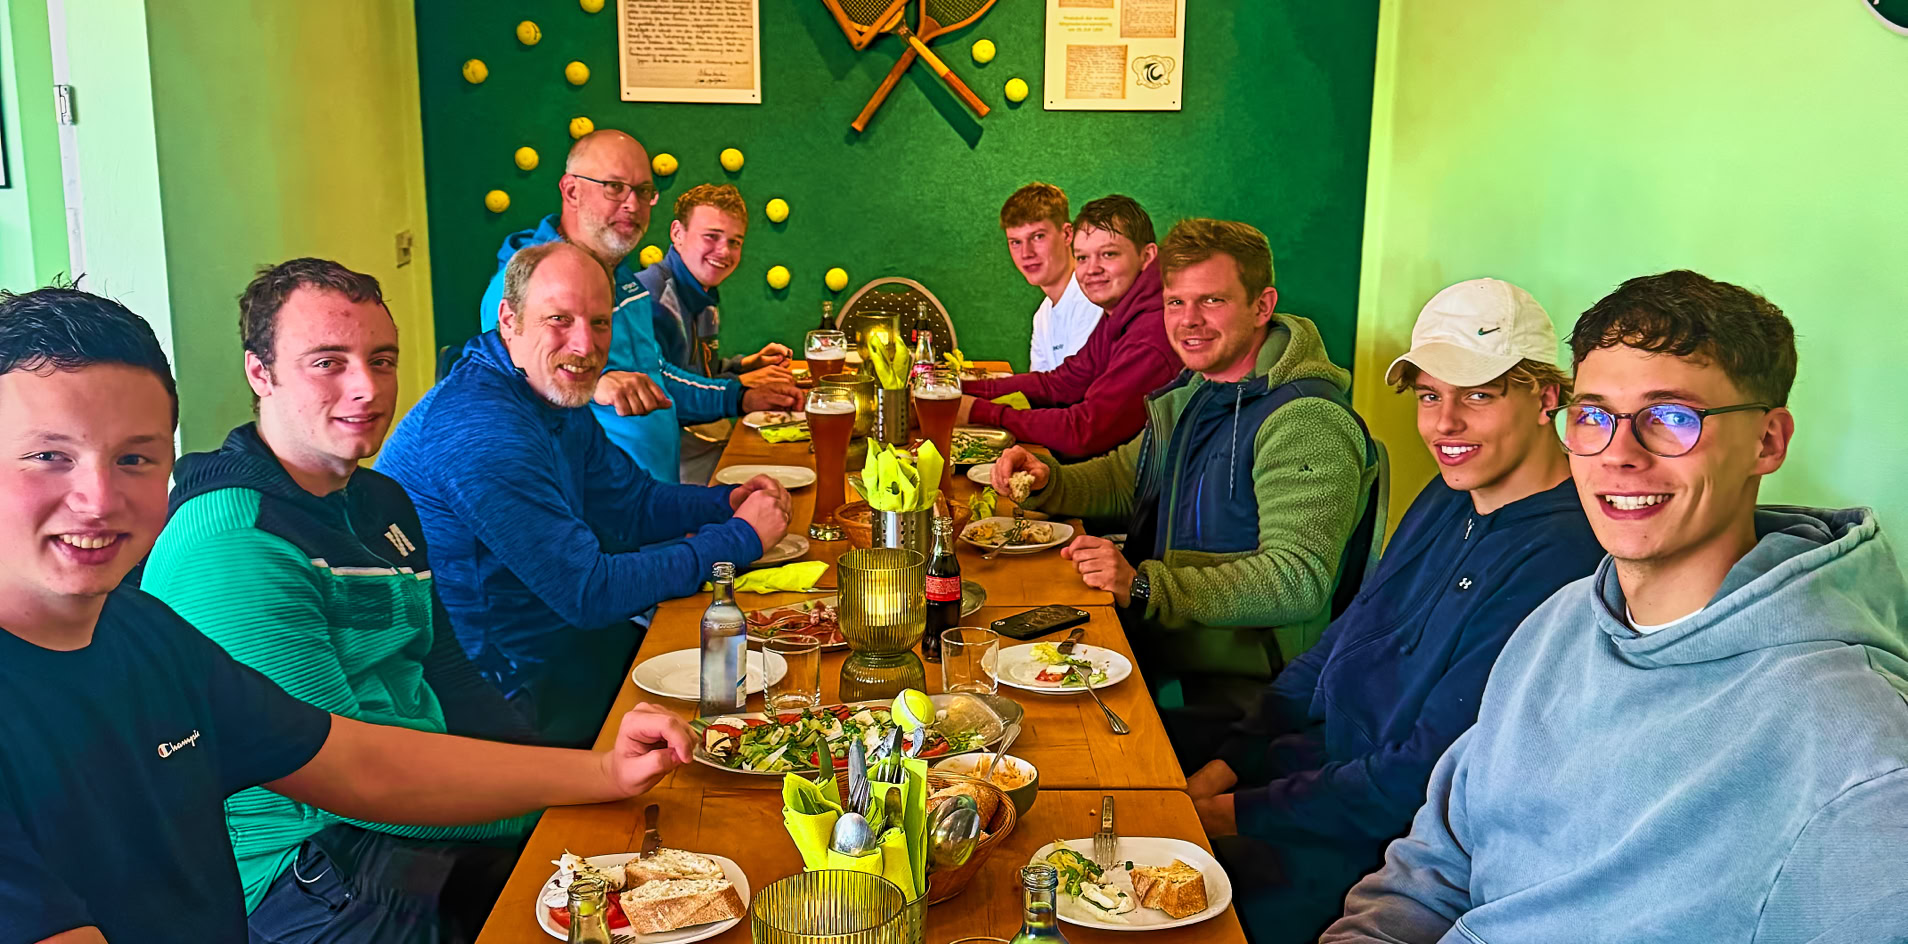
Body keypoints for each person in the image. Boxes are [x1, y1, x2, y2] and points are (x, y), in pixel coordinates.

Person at [0, 285, 698, 944]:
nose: (97, 499)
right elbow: (351, 798)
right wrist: (555, 807)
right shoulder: (232, 545)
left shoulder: (145, 634)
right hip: (321, 872)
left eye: (134, 458)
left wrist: (601, 774)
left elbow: (357, 760)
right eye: (48, 456)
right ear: (260, 374)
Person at [1326, 271, 1908, 943]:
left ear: (1767, 442)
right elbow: (1435, 864)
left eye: (1672, 417)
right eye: (1595, 416)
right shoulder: (1559, 622)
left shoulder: (1861, 758)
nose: (1619, 455)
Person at [1181, 278, 1604, 944]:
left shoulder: (1564, 555)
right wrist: (1230, 761)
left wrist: (1228, 815)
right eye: (1430, 396)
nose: (1444, 424)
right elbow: (1344, 637)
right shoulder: (1449, 492)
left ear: (1547, 397)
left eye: (1478, 395)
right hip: (1308, 769)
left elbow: (1421, 777)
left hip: (1374, 845)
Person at [137, 259, 545, 942]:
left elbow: (447, 673)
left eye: (381, 360)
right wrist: (556, 792)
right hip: (303, 871)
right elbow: (360, 785)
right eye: (328, 362)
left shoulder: (380, 498)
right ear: (260, 373)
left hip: (412, 811)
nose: (367, 387)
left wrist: (546, 770)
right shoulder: (235, 542)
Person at [382, 241, 793, 746]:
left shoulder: (541, 387)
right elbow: (588, 593)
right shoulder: (483, 427)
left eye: (599, 322)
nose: (584, 345)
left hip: (566, 650)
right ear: (509, 320)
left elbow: (632, 504)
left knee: (761, 680)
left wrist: (723, 503)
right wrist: (739, 539)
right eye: (559, 319)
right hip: (499, 696)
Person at [990, 218, 1378, 715]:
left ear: (1262, 306)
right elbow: (1123, 478)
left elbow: (1295, 580)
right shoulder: (1200, 389)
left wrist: (1146, 586)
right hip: (1165, 646)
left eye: (1212, 300)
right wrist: (1050, 478)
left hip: (1243, 696)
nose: (1188, 320)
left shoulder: (1305, 419)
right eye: (1176, 302)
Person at [476, 130, 798, 482]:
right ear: (571, 190)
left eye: (643, 191)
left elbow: (656, 375)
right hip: (591, 506)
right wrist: (594, 386)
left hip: (650, 499)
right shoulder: (521, 283)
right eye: (614, 187)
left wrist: (739, 397)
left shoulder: (623, 277)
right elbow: (509, 411)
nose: (632, 204)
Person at [958, 194, 1181, 460]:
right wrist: (959, 390)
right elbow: (1061, 383)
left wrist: (979, 411)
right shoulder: (1120, 311)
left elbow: (1084, 431)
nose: (1092, 269)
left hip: (1127, 482)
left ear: (1147, 256)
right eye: (1083, 258)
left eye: (1108, 254)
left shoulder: (1151, 334)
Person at [638, 183, 793, 483]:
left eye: (735, 242)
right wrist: (741, 389)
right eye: (711, 236)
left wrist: (744, 365)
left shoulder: (703, 294)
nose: (724, 251)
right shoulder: (651, 296)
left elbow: (696, 373)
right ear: (677, 233)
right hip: (663, 467)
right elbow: (663, 392)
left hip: (696, 448)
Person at [999, 182, 1101, 371]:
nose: (1026, 253)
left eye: (1038, 236)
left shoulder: (1092, 299)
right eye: (1015, 242)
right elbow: (1039, 385)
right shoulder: (1042, 316)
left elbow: (1074, 385)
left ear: (1067, 234)